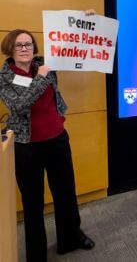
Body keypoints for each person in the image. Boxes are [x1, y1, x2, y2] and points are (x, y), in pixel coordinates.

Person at [0, 28, 96, 261]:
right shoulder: (4, 77)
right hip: (27, 147)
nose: (25, 49)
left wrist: (85, 22)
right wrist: (41, 78)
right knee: (33, 204)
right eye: (19, 45)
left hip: (57, 140)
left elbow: (73, 45)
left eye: (29, 44)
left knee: (65, 194)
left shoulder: (44, 64)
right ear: (10, 49)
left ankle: (70, 238)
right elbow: (20, 105)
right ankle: (36, 255)